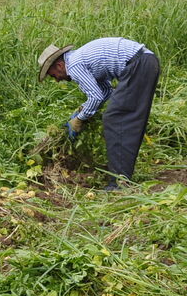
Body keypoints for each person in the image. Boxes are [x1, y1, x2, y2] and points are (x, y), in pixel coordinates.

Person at [37, 38, 161, 189]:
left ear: (59, 65)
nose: (56, 80)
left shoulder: (74, 65)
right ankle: (121, 177)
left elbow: (95, 96)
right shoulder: (81, 59)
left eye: (53, 75)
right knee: (123, 117)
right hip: (145, 62)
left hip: (138, 65)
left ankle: (119, 183)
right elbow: (105, 91)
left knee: (115, 119)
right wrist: (83, 109)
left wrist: (79, 120)